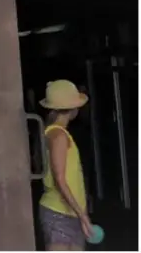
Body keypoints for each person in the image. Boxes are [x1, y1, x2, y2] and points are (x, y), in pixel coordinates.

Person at [38, 79, 93, 250]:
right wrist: (82, 215)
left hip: (67, 212)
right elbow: (60, 179)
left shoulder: (54, 132)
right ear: (73, 108)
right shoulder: (59, 136)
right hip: (60, 213)